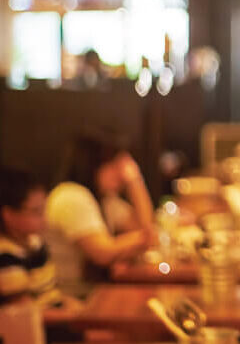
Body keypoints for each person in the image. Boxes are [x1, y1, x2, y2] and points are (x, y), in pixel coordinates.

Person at [44, 131, 154, 296]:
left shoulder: (105, 199)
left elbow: (144, 225)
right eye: (114, 165)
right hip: (70, 301)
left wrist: (135, 181)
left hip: (91, 294)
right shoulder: (71, 195)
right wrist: (141, 238)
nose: (121, 173)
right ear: (92, 164)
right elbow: (103, 252)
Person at [0, 169, 62, 307]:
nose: (44, 218)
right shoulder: (5, 256)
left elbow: (51, 294)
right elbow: (25, 313)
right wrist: (75, 317)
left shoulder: (36, 243)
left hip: (57, 316)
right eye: (36, 212)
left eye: (44, 210)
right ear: (8, 214)